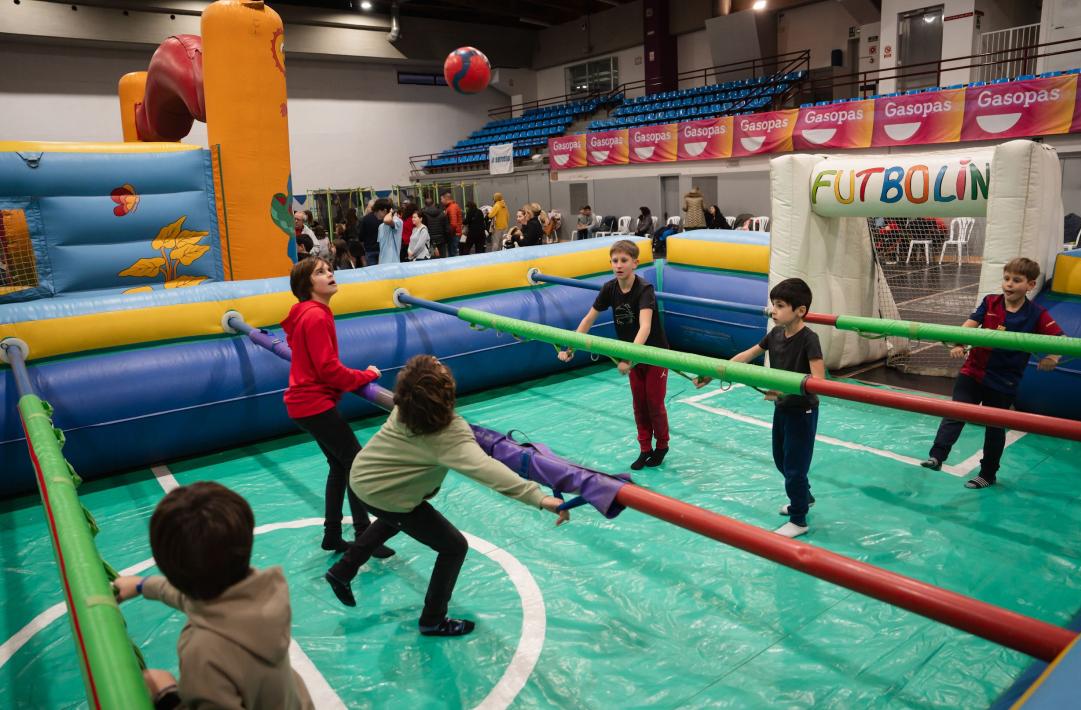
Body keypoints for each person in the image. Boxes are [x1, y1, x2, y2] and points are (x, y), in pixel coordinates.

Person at [324, 355, 570, 636]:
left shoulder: (404, 406)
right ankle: (432, 620)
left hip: (362, 479)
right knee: (453, 546)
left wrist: (424, 369)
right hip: (385, 493)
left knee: (398, 517)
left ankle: (343, 570)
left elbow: (419, 383)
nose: (438, 362)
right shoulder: (447, 434)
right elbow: (488, 470)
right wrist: (539, 498)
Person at [113, 482, 313, 709]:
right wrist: (142, 585)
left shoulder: (205, 654)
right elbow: (196, 601)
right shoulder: (263, 592)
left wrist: (167, 695)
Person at [282, 256, 395, 557]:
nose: (330, 273)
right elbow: (328, 370)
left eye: (329, 269)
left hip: (303, 404)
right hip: (313, 403)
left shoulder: (304, 312)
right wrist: (368, 375)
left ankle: (332, 535)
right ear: (308, 285)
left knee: (339, 464)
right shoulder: (316, 315)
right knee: (356, 464)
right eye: (320, 272)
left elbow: (304, 353)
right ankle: (364, 536)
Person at [695, 278, 825, 538]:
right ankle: (804, 497)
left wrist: (785, 390)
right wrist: (716, 372)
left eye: (779, 306)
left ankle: (799, 519)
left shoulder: (810, 339)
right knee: (781, 460)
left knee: (795, 468)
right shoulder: (775, 333)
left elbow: (819, 381)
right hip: (782, 408)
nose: (773, 311)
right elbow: (749, 353)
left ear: (800, 310)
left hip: (802, 411)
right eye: (773, 305)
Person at [920, 257, 1063, 489]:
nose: (1009, 284)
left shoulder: (1036, 313)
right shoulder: (990, 302)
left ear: (1031, 285)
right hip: (973, 371)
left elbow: (1060, 338)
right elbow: (970, 325)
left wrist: (1052, 358)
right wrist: (959, 343)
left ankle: (988, 474)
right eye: (1006, 279)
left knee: (994, 427)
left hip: (1003, 379)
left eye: (1016, 280)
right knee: (955, 413)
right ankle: (937, 456)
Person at [558, 240, 670, 471]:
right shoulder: (609, 288)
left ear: (635, 263)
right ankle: (645, 449)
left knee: (654, 403)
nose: (618, 265)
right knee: (639, 404)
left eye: (624, 261)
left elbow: (645, 327)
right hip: (629, 355)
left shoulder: (644, 289)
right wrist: (571, 347)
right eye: (615, 261)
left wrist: (629, 358)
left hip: (653, 354)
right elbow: (588, 319)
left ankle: (662, 446)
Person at [373, 198, 402, 265]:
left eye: (377, 211)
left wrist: (391, 212)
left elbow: (387, 220)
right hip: (382, 263)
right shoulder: (381, 226)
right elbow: (381, 248)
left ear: (385, 210)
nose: (375, 214)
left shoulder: (397, 221)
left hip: (393, 263)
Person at [441, 192, 463, 258]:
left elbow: (453, 224)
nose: (441, 201)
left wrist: (449, 233)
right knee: (453, 254)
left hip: (454, 235)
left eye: (441, 199)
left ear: (446, 199)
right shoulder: (451, 206)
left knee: (453, 255)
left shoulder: (452, 207)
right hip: (454, 234)